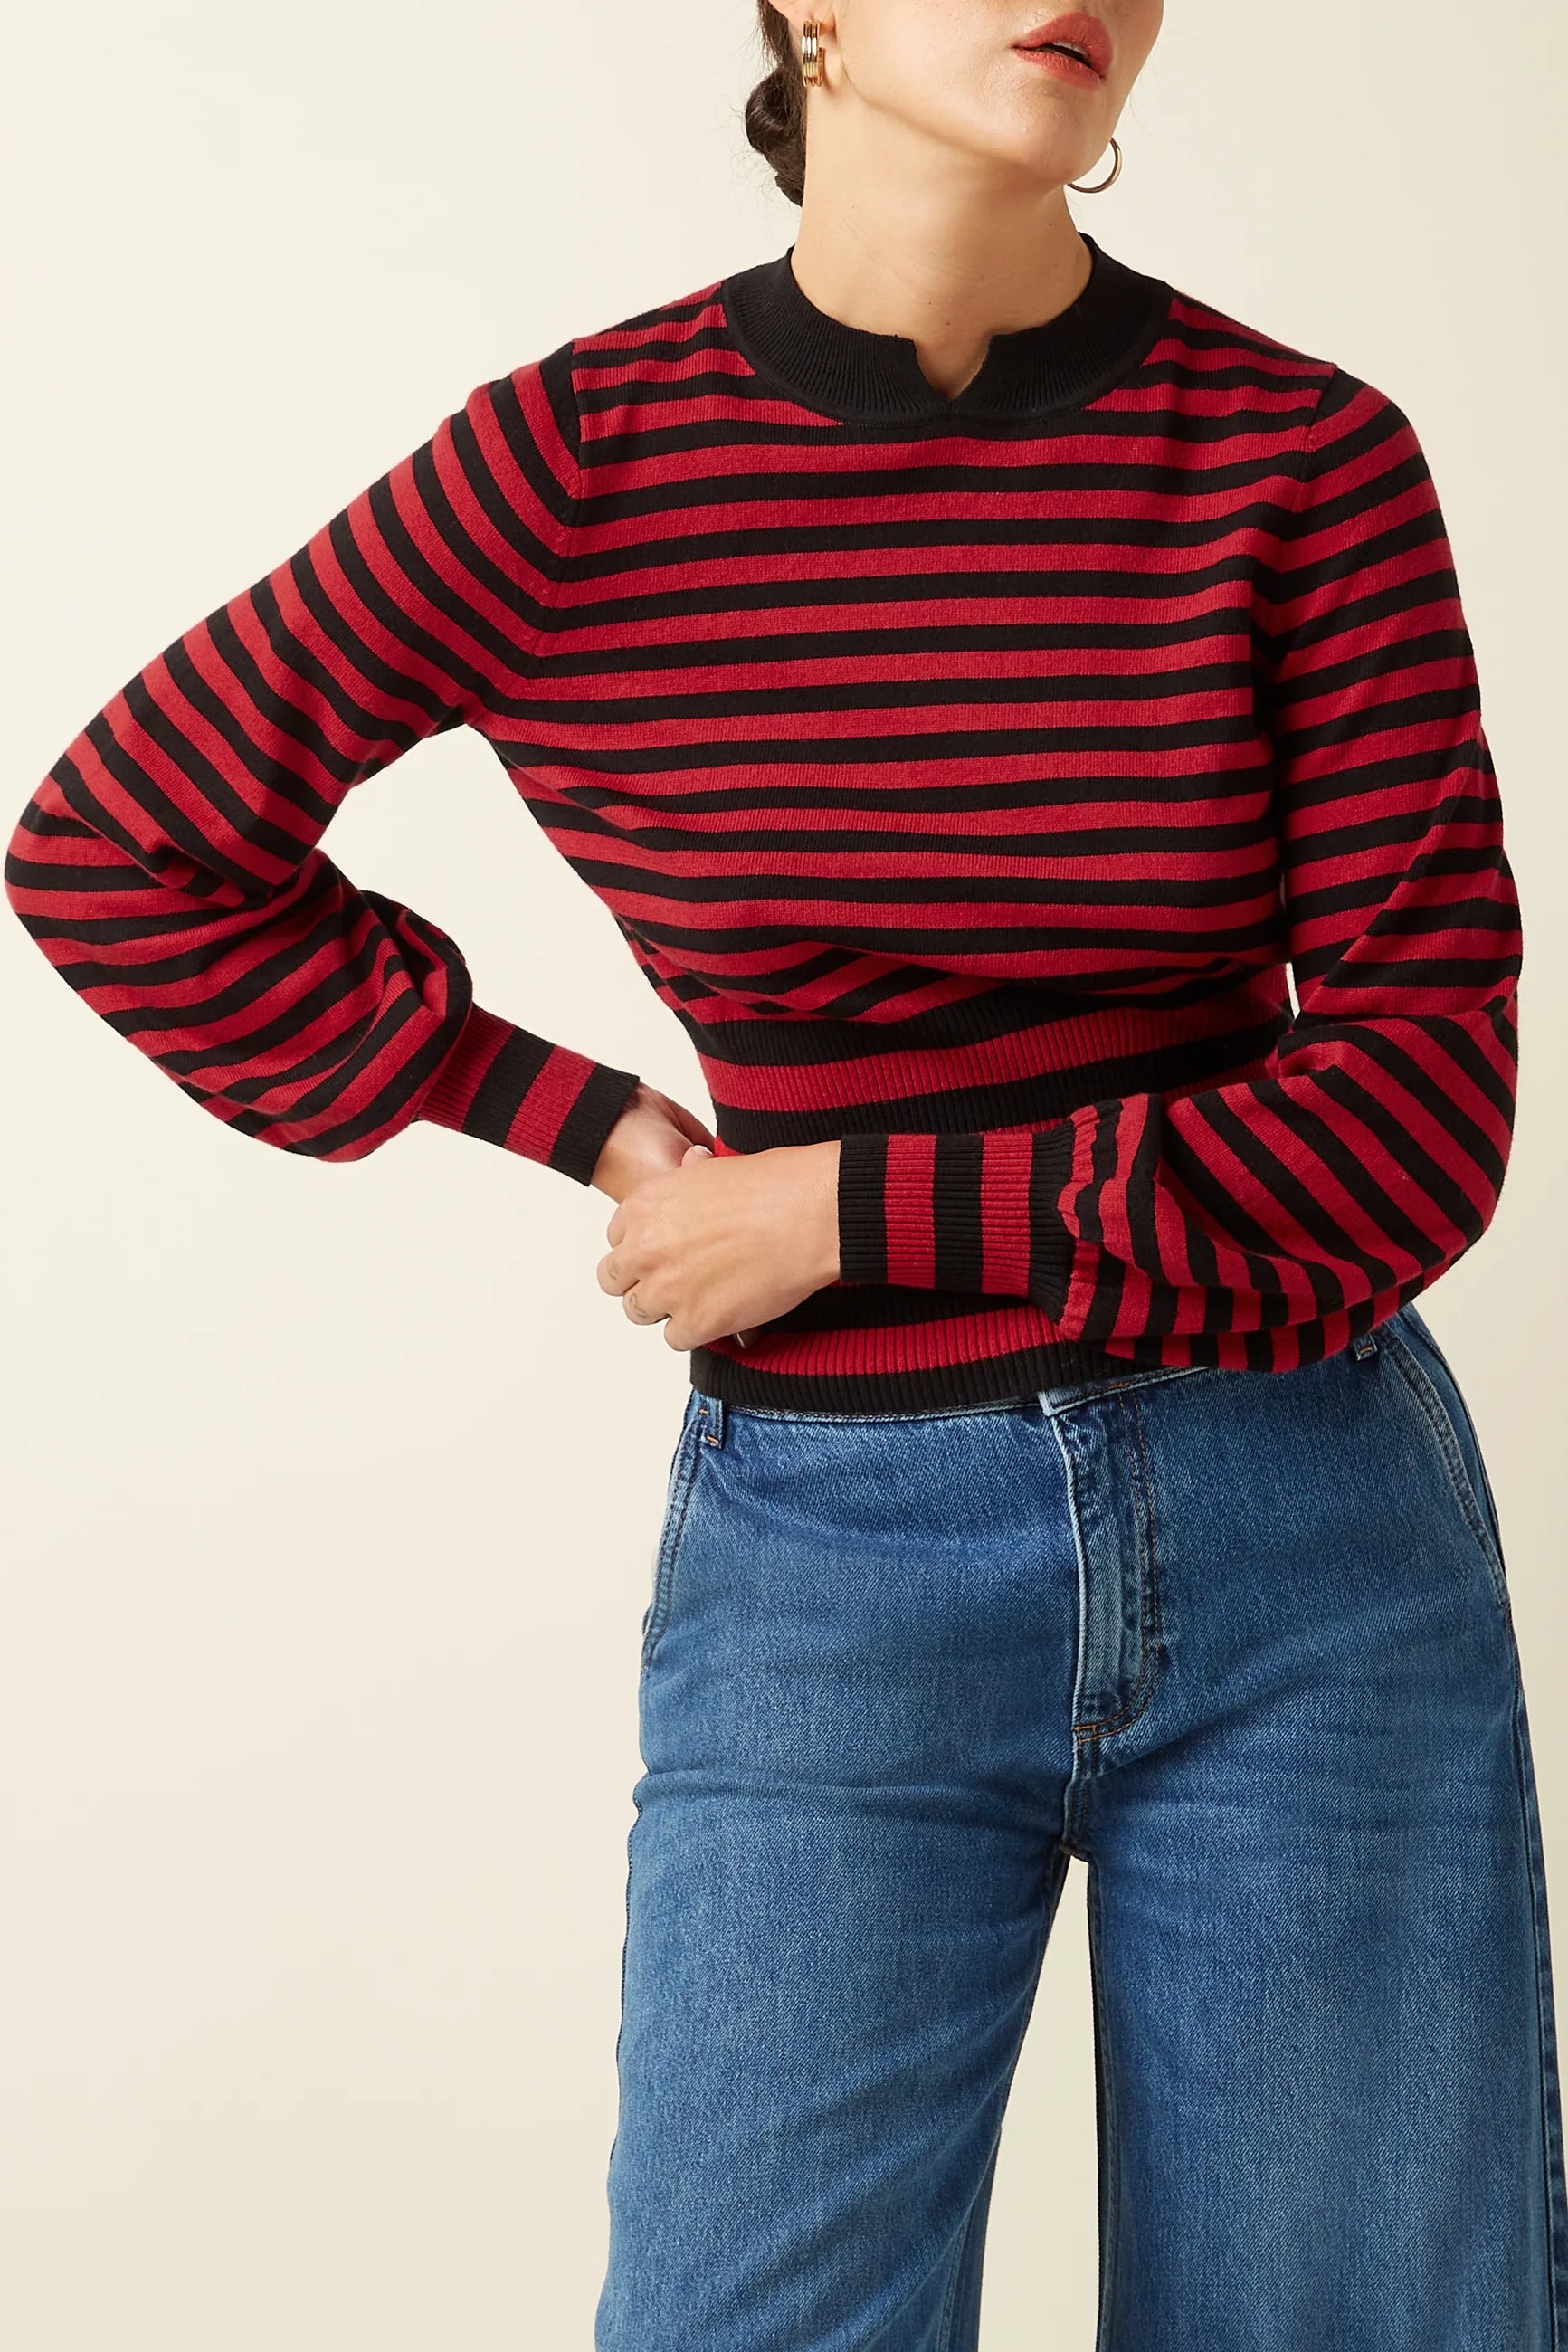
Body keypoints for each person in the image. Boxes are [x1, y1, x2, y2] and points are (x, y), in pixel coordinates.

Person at [6, 2, 1563, 2343]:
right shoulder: (577, 467)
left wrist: (841, 1207)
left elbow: (1420, 1111)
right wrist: (571, 1116)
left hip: (1305, 1529)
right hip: (833, 1569)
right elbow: (123, 849)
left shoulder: (1296, 461)